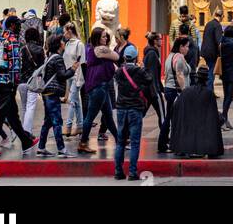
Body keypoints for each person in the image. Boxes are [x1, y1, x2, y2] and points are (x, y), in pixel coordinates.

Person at [0, 14, 35, 155]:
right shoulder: (13, 40)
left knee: (12, 115)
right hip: (7, 83)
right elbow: (15, 65)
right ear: (12, 25)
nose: (20, 27)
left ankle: (26, 142)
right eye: (18, 24)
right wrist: (15, 83)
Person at [113, 42, 153, 180]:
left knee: (120, 141)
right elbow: (149, 80)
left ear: (124, 58)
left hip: (121, 108)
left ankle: (118, 172)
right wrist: (142, 68)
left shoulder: (119, 71)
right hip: (135, 108)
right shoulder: (139, 71)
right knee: (135, 142)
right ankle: (132, 172)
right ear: (136, 58)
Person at [77, 26, 119, 153]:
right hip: (98, 87)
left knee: (108, 116)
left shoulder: (91, 48)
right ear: (97, 38)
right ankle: (83, 142)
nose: (106, 38)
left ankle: (119, 140)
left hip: (101, 86)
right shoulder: (100, 49)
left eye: (106, 36)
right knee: (90, 117)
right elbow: (116, 56)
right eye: (103, 36)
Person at [169, 64, 224, 158]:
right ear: (206, 80)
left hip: (188, 130)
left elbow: (175, 108)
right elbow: (213, 117)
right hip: (202, 128)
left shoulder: (186, 91)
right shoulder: (209, 94)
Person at [37, 35, 69, 157]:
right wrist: (72, 69)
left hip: (47, 93)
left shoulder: (49, 57)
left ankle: (41, 147)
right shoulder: (58, 59)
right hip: (53, 94)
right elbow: (62, 75)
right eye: (62, 41)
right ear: (58, 44)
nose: (64, 43)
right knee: (57, 121)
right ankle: (61, 149)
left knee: (48, 121)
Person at [158, 35, 190, 153]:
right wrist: (184, 91)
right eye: (186, 47)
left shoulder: (170, 56)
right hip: (175, 90)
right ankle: (164, 144)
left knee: (170, 117)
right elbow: (179, 74)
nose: (188, 49)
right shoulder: (179, 57)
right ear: (181, 47)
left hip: (169, 89)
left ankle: (167, 142)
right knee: (172, 118)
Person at [18, 25, 45, 136]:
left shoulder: (22, 49)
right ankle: (27, 132)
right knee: (30, 106)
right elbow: (43, 67)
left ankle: (24, 130)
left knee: (24, 107)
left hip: (22, 81)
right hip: (33, 82)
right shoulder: (39, 49)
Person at [62, 22, 85, 136]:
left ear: (70, 31)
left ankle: (69, 126)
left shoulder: (79, 45)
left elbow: (82, 63)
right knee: (75, 102)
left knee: (71, 101)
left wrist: (78, 80)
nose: (64, 34)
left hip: (76, 77)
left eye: (64, 31)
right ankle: (80, 125)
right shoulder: (67, 44)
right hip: (69, 76)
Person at [200, 8, 224, 92]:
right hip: (212, 53)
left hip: (205, 51)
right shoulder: (217, 25)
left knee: (210, 70)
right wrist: (222, 54)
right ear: (222, 16)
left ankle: (211, 91)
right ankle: (209, 91)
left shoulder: (208, 24)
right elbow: (219, 41)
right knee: (211, 72)